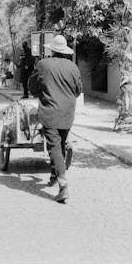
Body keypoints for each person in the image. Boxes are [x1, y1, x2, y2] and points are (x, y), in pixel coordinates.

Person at [29, 35, 82, 203]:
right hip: (67, 113)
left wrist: (41, 94)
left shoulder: (43, 65)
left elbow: (33, 86)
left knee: (54, 147)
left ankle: (63, 186)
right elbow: (78, 90)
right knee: (60, 144)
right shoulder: (73, 67)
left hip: (50, 112)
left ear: (51, 49)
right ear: (65, 51)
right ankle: (54, 173)